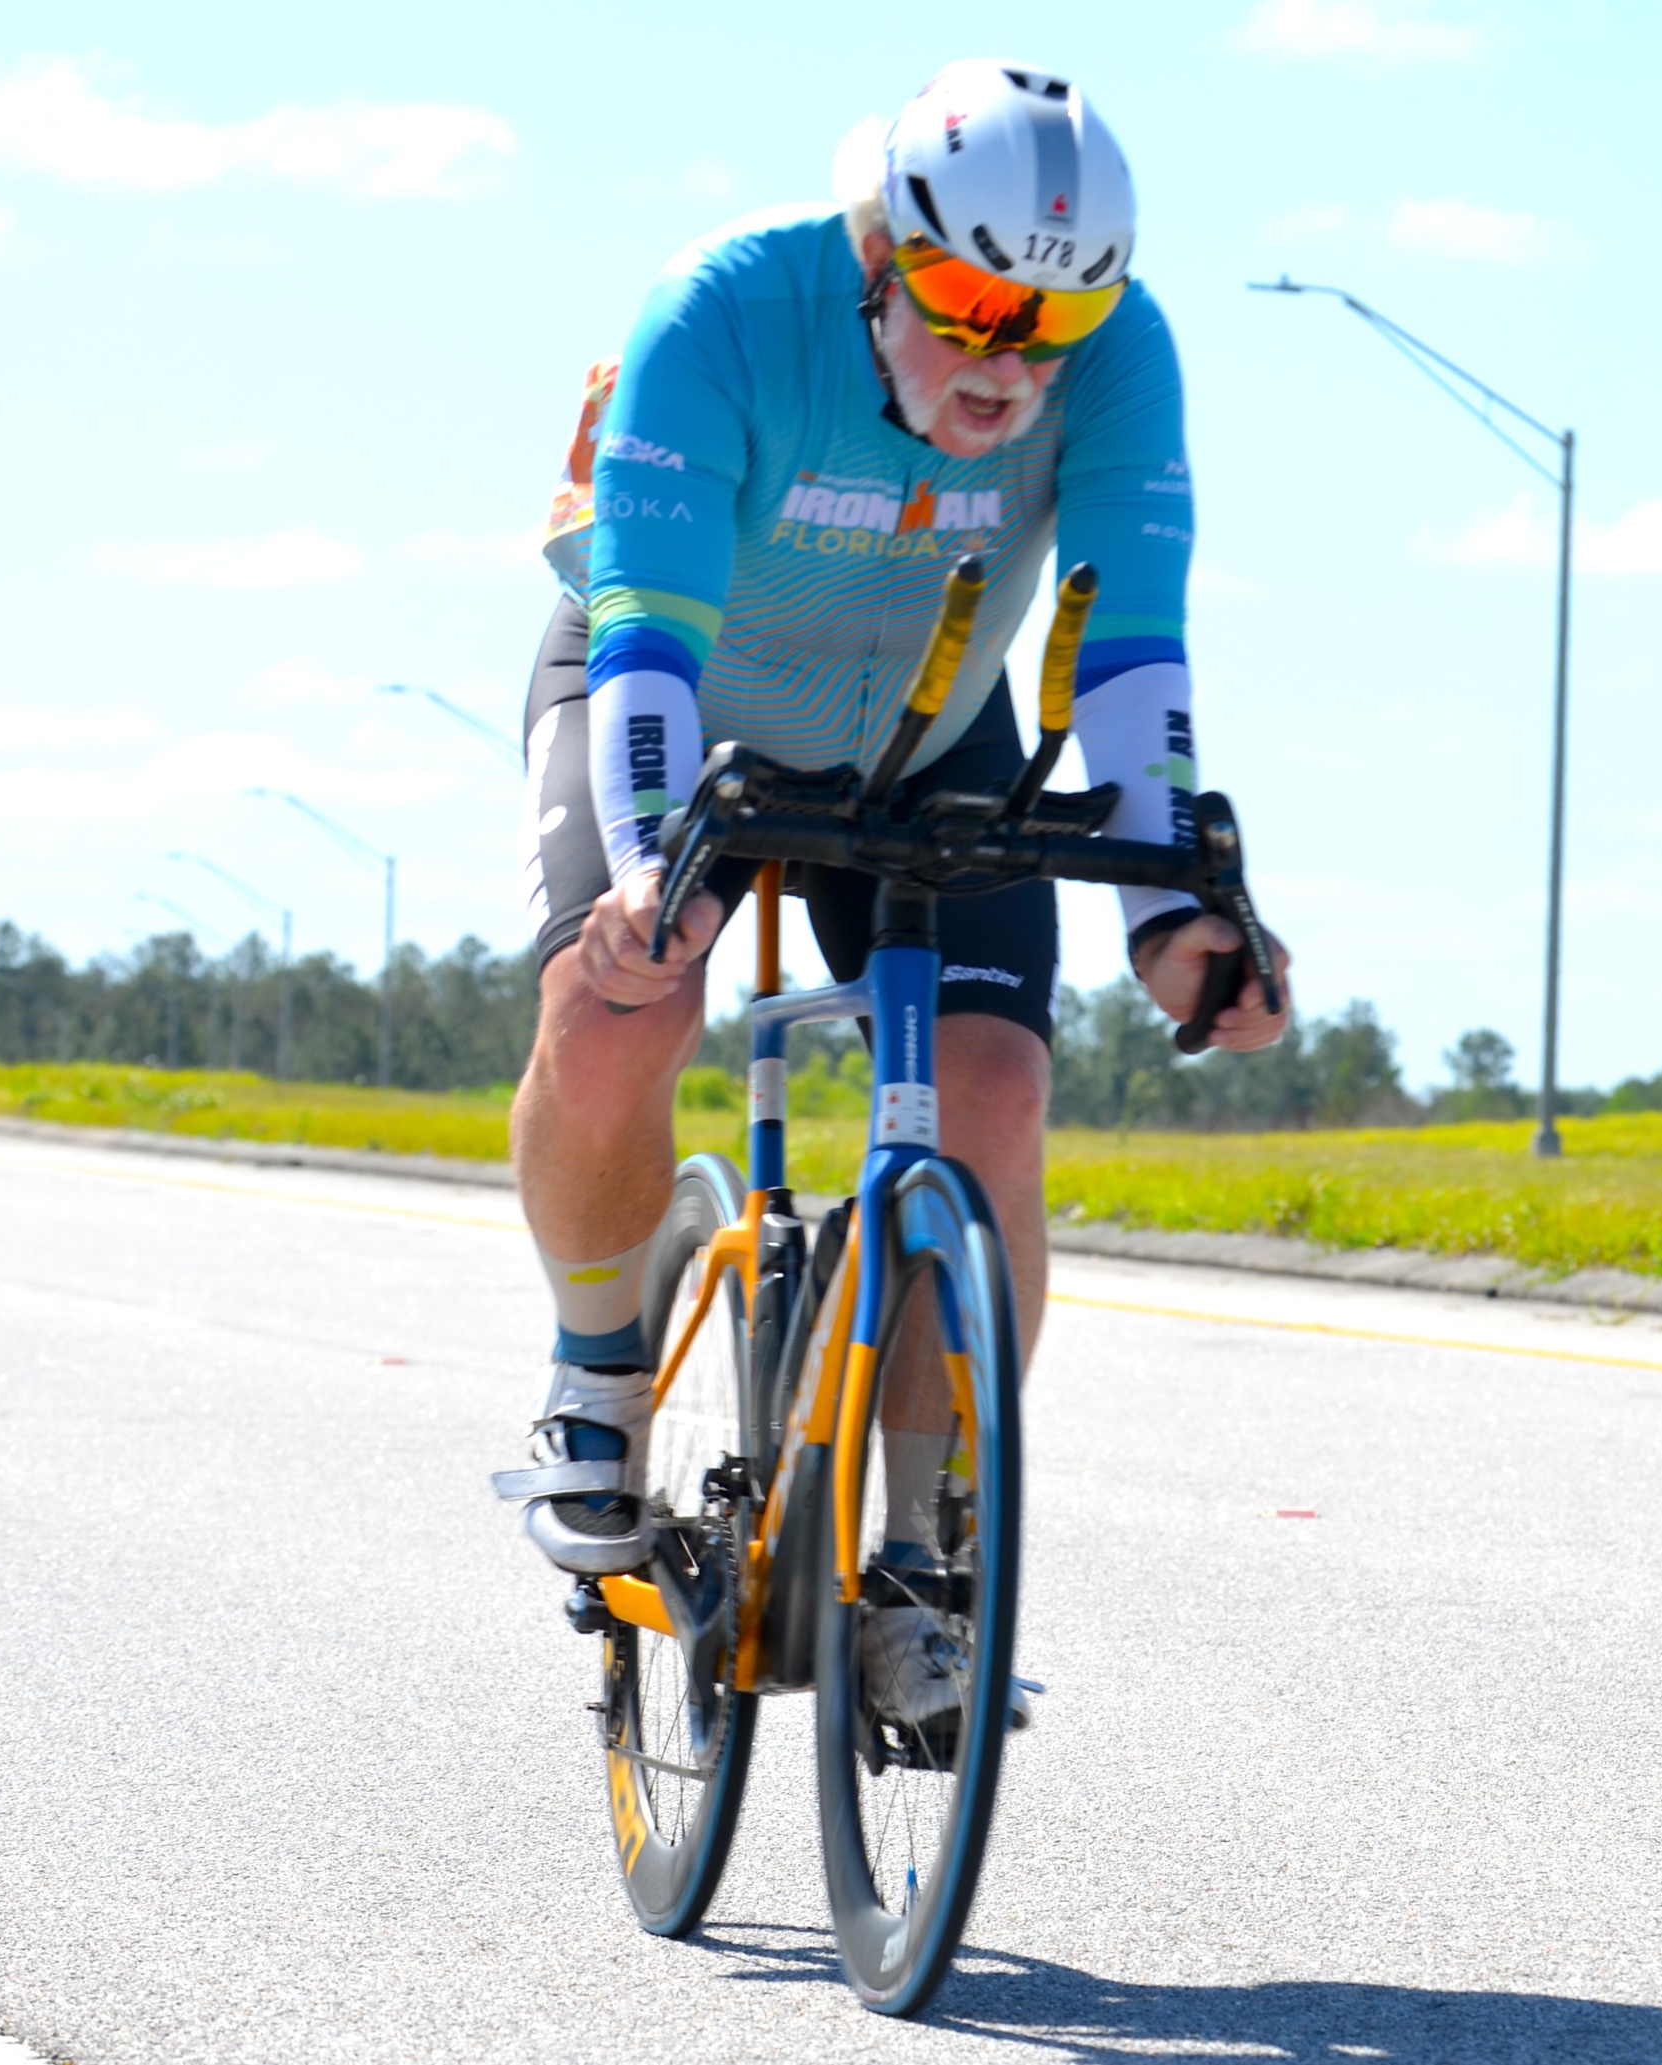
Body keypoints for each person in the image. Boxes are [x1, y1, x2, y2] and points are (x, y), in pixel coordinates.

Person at [502, 60, 1291, 1720]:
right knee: (619, 1000)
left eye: (1054, 321)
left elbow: (1131, 635)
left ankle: (926, 1555)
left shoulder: (1121, 356)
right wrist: (646, 871)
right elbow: (647, 631)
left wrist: (1173, 914)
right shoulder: (722, 309)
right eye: (969, 305)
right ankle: (596, 1370)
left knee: (994, 1090)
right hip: (677, 692)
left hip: (933, 724)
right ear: (879, 251)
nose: (1009, 361)